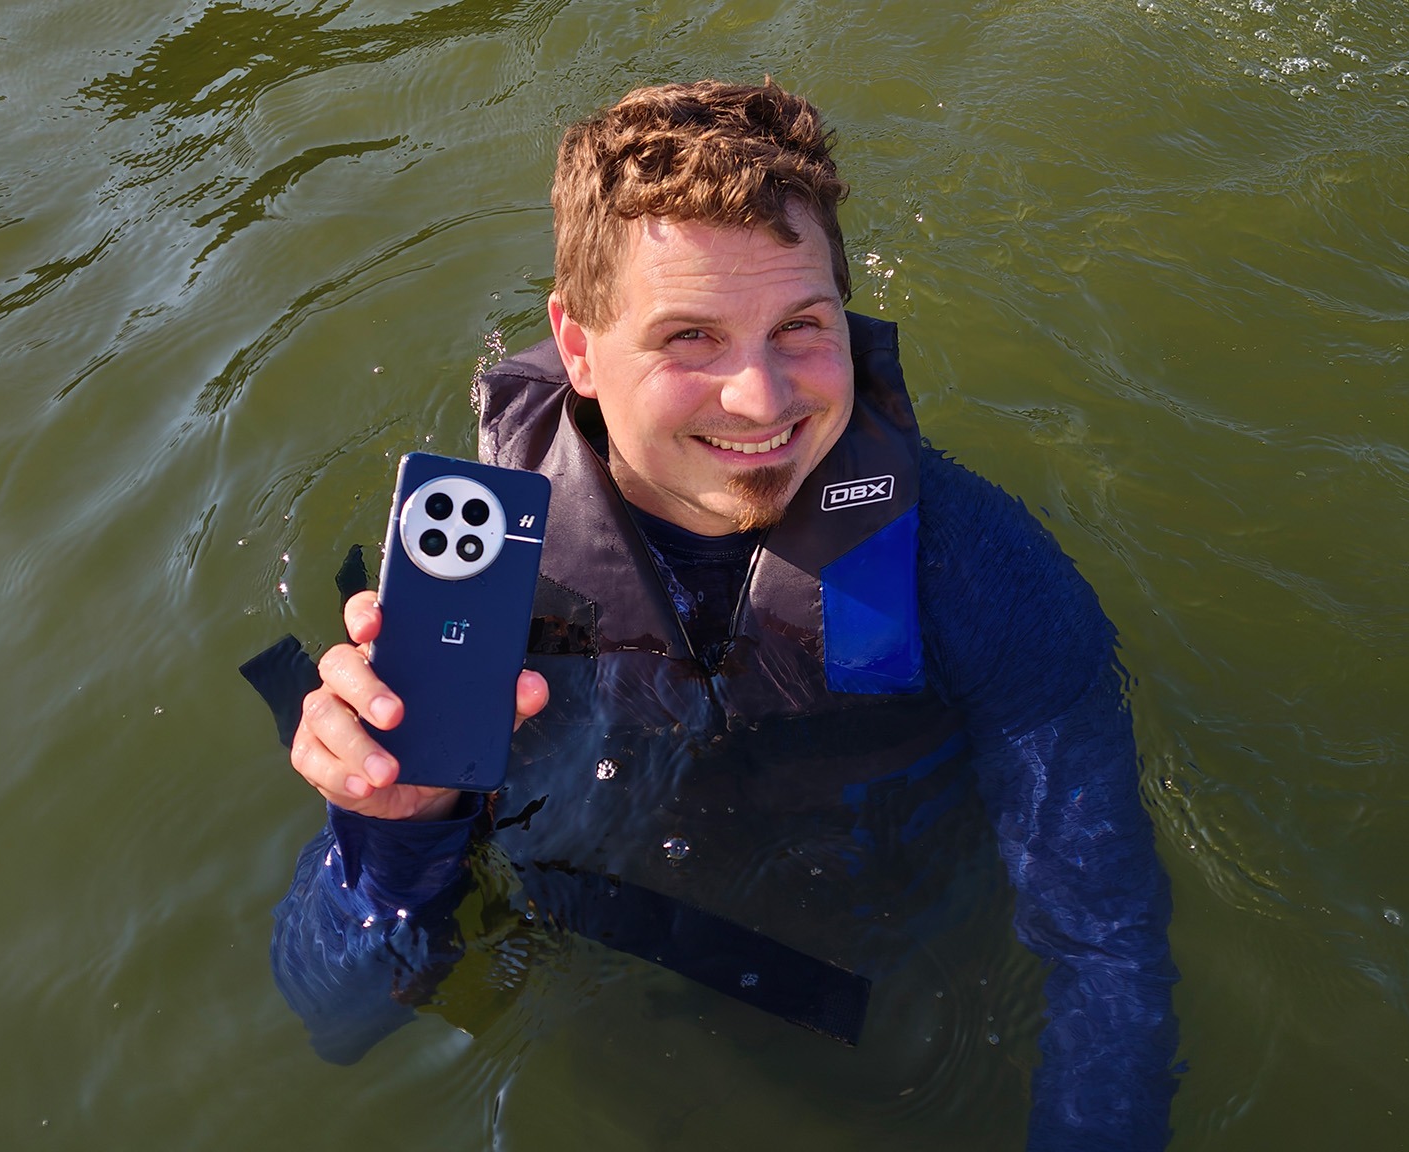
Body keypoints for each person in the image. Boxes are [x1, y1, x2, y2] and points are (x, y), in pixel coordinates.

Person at [252, 79, 1177, 1149]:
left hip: (909, 1025)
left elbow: (1103, 945)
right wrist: (390, 826)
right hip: (611, 1045)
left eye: (798, 326)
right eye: (689, 337)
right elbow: (338, 1010)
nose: (763, 399)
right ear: (578, 345)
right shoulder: (475, 595)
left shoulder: (969, 567)